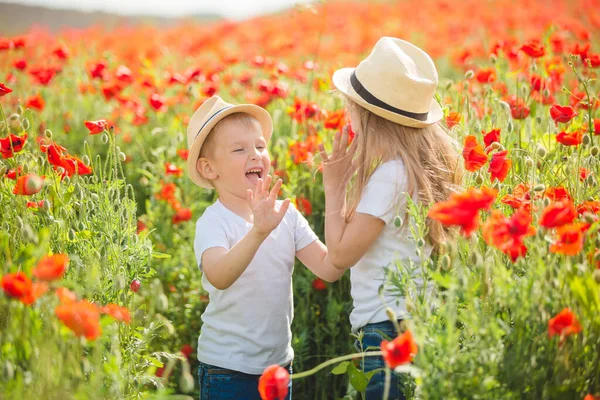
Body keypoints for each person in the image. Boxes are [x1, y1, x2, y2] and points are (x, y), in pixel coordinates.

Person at [319, 37, 461, 399]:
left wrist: (333, 187)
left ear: (366, 116)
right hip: (417, 317)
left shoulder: (389, 177)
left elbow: (339, 256)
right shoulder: (410, 172)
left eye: (350, 109)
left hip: (385, 329)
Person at [186, 95, 344, 400]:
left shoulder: (285, 213)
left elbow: (330, 268)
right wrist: (258, 232)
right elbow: (218, 275)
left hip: (277, 366)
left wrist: (335, 190)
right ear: (208, 169)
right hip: (227, 369)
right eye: (239, 149)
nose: (256, 154)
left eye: (260, 145)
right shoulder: (214, 222)